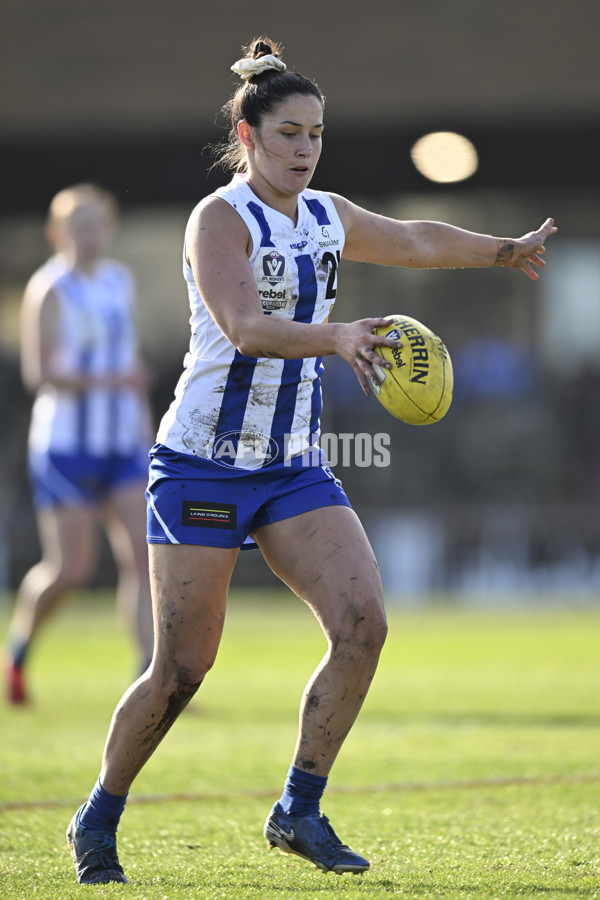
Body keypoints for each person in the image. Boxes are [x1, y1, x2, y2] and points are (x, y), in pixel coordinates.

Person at [65, 38, 557, 884]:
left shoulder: (326, 214)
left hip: (291, 466)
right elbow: (244, 326)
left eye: (317, 135)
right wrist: (337, 336)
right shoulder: (218, 219)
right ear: (249, 137)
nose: (305, 149)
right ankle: (98, 814)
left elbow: (415, 238)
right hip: (202, 465)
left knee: (364, 624)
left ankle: (298, 808)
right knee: (183, 667)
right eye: (289, 133)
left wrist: (501, 250)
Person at [5, 184, 154, 704]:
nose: (88, 236)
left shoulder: (118, 282)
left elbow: (130, 366)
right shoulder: (50, 288)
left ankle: (148, 677)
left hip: (121, 443)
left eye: (96, 226)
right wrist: (106, 383)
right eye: (77, 227)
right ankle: (19, 651)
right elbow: (39, 372)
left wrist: (143, 424)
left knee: (145, 556)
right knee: (71, 570)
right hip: (66, 445)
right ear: (58, 232)